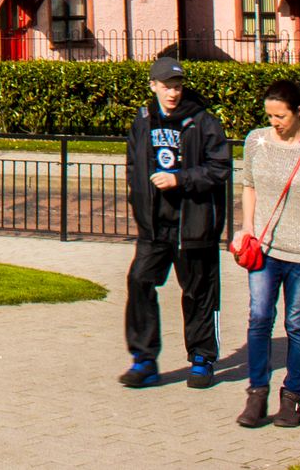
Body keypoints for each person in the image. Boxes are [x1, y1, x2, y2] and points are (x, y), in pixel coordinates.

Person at [233, 77, 300, 430]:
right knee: (259, 318)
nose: (274, 123)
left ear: (299, 112)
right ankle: (257, 393)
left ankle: (292, 398)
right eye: (269, 115)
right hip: (264, 250)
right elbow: (248, 185)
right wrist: (247, 228)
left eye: (280, 116)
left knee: (296, 324)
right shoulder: (256, 141)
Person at [120, 54, 231, 389]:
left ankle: (201, 358)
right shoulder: (143, 121)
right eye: (167, 86)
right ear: (153, 85)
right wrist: (140, 200)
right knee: (139, 281)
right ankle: (144, 359)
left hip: (193, 224)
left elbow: (219, 168)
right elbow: (132, 165)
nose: (173, 92)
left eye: (178, 86)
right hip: (155, 226)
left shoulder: (203, 122)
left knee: (199, 291)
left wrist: (180, 179)